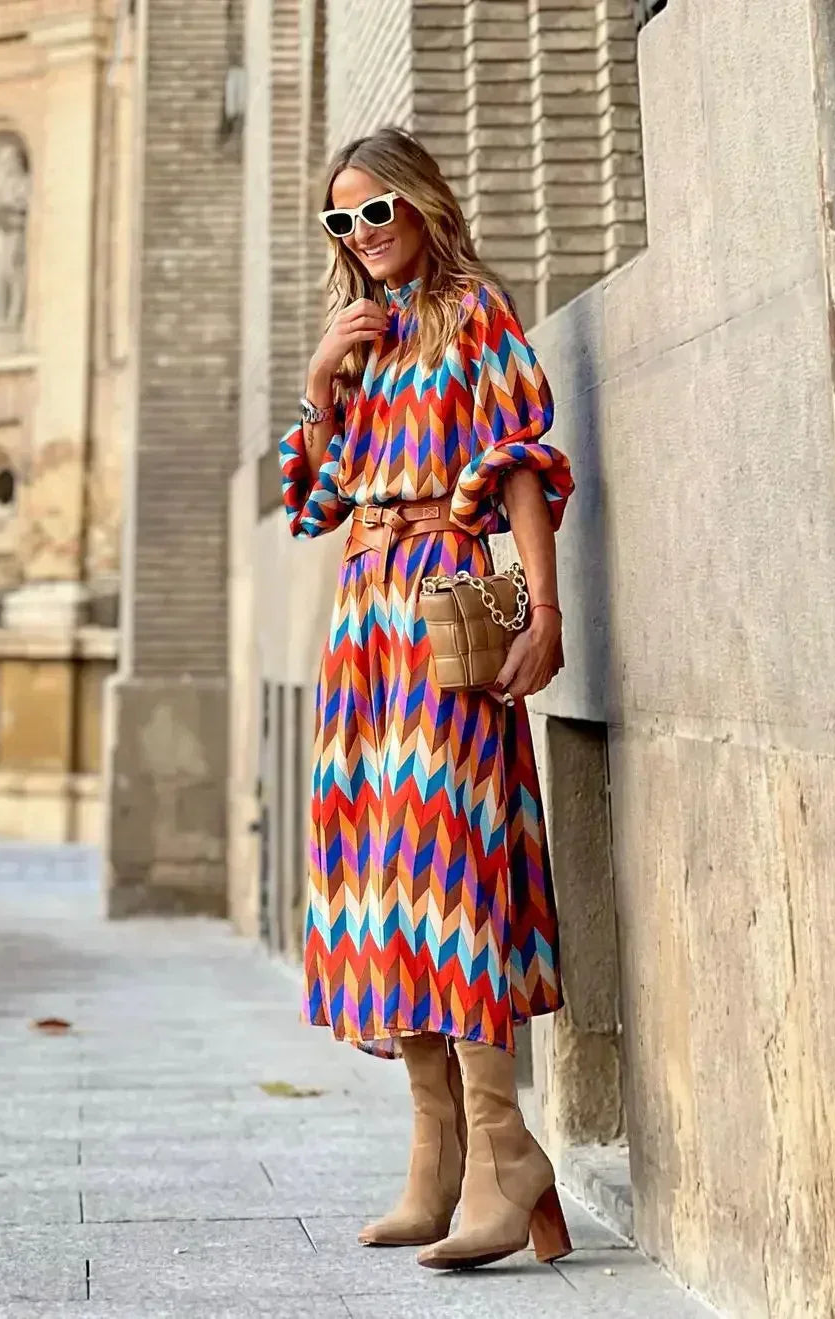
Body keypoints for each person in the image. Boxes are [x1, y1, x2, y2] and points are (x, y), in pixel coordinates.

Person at [279, 126, 575, 1272]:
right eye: (340, 219)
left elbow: (520, 464)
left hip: (443, 601)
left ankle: (505, 1151)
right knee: (380, 868)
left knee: (452, 861)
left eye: (375, 211)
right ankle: (435, 1151)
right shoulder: (358, 339)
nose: (360, 234)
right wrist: (321, 381)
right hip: (363, 621)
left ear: (421, 204)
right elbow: (314, 504)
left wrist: (544, 611)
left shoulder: (475, 314)